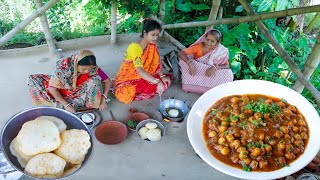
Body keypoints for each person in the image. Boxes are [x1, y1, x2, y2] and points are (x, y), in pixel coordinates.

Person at [27, 49, 112, 113]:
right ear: (76, 63)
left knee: (96, 80)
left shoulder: (93, 67)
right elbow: (52, 89)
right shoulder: (61, 67)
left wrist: (103, 99)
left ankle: (87, 104)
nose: (87, 71)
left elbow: (107, 81)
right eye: (83, 69)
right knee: (32, 80)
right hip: (62, 90)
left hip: (80, 90)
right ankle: (68, 103)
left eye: (89, 69)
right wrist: (66, 105)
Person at [114, 19, 171, 104]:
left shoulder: (151, 45)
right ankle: (142, 88)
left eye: (157, 35)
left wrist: (162, 76)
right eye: (153, 35)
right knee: (123, 95)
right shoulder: (134, 48)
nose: (155, 38)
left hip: (145, 75)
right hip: (129, 79)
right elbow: (140, 70)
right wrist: (157, 82)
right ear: (145, 32)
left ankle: (143, 88)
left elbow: (155, 64)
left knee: (166, 81)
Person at [178, 29, 233, 93]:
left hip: (210, 72)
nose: (208, 43)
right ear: (205, 38)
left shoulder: (221, 51)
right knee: (183, 62)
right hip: (197, 70)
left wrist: (215, 67)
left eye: (212, 41)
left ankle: (214, 90)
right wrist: (190, 63)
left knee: (228, 74)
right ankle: (190, 86)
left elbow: (227, 66)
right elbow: (181, 53)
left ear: (217, 42)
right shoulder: (198, 47)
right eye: (207, 39)